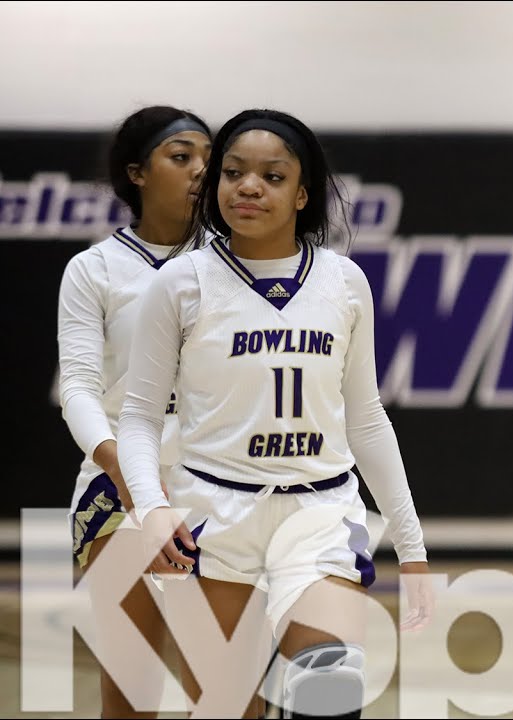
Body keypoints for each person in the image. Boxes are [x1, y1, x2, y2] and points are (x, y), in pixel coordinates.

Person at [118, 108, 433, 718]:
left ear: (301, 194)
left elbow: (366, 417)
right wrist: (152, 510)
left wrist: (413, 547)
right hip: (214, 515)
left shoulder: (343, 283)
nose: (250, 186)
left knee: (330, 696)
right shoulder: (182, 282)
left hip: (319, 512)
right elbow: (138, 415)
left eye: (272, 175)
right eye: (233, 172)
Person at [58, 105, 212, 717]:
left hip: (218, 486)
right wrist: (121, 466)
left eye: (209, 158)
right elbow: (79, 389)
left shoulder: (238, 265)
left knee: (227, 691)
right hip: (116, 489)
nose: (201, 171)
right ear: (137, 174)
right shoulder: (93, 270)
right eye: (181, 158)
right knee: (131, 693)